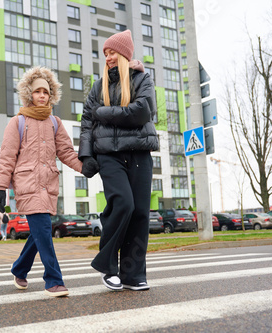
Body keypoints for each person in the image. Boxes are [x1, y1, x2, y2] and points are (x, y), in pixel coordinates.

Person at [0, 66, 92, 297]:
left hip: (48, 185)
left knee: (40, 233)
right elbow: (7, 157)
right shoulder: (17, 122)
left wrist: (85, 167)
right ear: (29, 94)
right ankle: (53, 280)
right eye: (37, 91)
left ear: (51, 95)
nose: (41, 96)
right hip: (26, 185)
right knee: (44, 229)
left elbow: (66, 152)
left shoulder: (55, 122)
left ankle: (19, 268)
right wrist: (0, 188)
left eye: (46, 92)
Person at [78, 29, 159, 291]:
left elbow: (142, 112)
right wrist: (87, 156)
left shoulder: (142, 80)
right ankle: (107, 265)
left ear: (124, 54)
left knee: (139, 213)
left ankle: (133, 275)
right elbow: (87, 123)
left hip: (138, 153)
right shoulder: (97, 87)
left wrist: (104, 112)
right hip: (109, 155)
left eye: (112, 52)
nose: (108, 57)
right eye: (105, 53)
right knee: (122, 203)